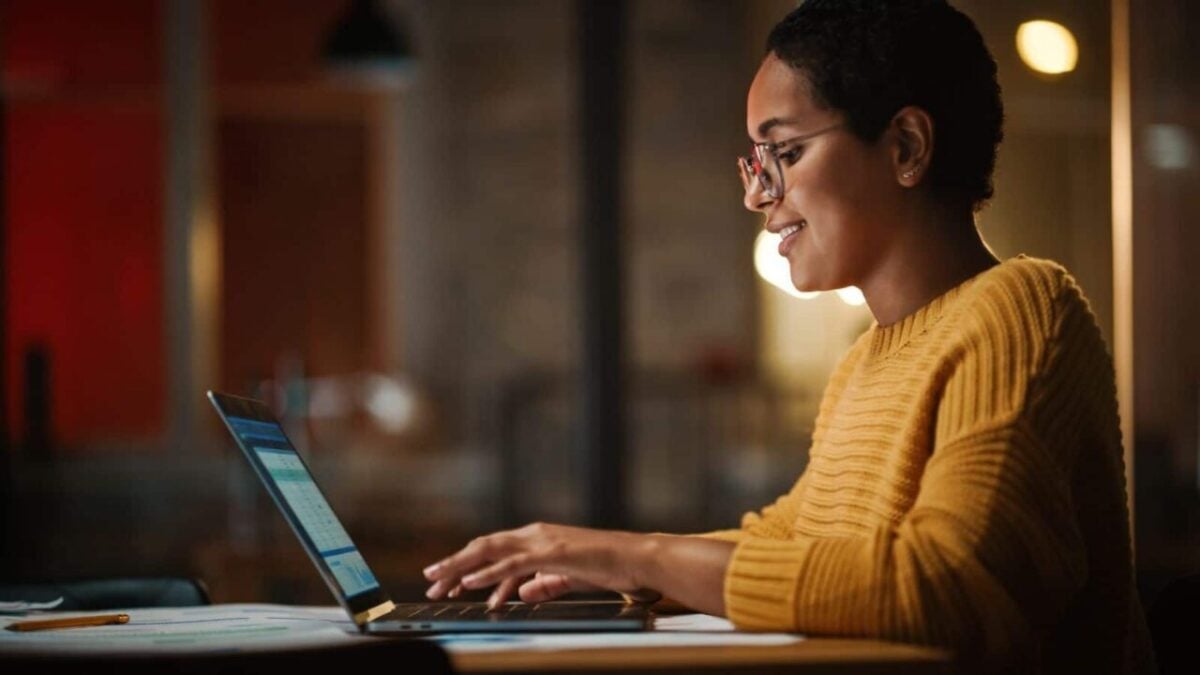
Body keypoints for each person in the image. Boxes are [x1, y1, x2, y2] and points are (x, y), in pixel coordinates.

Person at [423, 1, 1154, 671]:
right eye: (755, 160)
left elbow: (945, 584)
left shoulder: (1022, 308)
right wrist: (606, 562)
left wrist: (635, 554)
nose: (755, 194)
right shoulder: (868, 358)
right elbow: (791, 544)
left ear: (905, 145)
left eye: (787, 153)